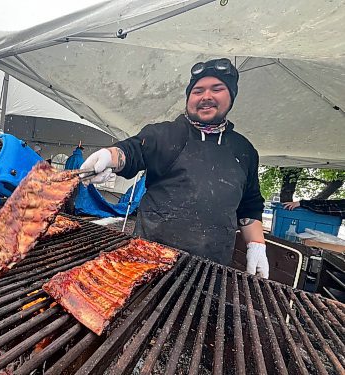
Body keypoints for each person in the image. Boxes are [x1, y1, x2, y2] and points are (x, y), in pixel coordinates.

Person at [81, 58, 268, 278]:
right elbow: (131, 151)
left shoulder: (244, 150)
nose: (206, 96)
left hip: (212, 267)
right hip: (149, 259)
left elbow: (250, 206)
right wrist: (108, 156)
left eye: (217, 89)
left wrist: (256, 245)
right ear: (189, 98)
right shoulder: (165, 134)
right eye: (198, 91)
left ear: (231, 96)